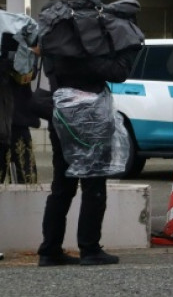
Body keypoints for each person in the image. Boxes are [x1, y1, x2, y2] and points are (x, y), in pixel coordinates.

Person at [36, 49, 136, 267]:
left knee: (61, 187)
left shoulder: (55, 37)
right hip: (92, 117)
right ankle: (90, 249)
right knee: (94, 185)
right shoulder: (91, 38)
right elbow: (116, 72)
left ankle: (50, 251)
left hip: (60, 115)